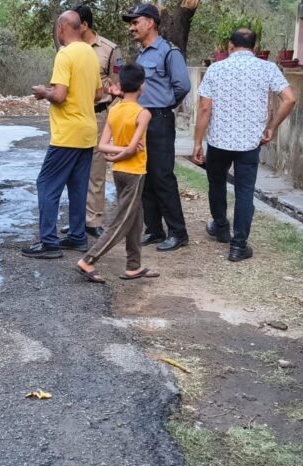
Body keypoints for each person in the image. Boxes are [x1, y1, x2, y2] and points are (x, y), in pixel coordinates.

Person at [193, 28, 297, 262]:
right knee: (244, 191)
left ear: (230, 45)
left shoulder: (216, 69)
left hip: (219, 141)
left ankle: (221, 228)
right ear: (254, 47)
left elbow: (204, 108)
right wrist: (272, 126)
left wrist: (198, 142)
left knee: (216, 184)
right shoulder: (267, 68)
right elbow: (290, 99)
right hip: (250, 142)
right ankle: (238, 246)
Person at [20, 11, 103, 259]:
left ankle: (49, 242)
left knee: (46, 184)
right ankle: (78, 236)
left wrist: (43, 92)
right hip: (88, 132)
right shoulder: (90, 53)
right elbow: (98, 95)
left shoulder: (65, 54)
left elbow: (59, 95)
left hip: (68, 133)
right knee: (78, 188)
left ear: (61, 28)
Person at [75, 63, 160, 283]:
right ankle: (88, 260)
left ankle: (134, 266)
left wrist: (115, 155)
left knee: (135, 217)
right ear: (142, 86)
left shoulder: (114, 110)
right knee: (122, 221)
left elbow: (103, 145)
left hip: (119, 172)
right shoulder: (144, 113)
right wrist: (123, 153)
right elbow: (132, 148)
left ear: (121, 85)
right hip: (134, 172)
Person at [123, 4, 190, 252]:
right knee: (146, 176)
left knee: (162, 176)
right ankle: (153, 229)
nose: (132, 27)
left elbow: (182, 86)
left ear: (150, 22)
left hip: (159, 120)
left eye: (135, 22)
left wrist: (165, 106)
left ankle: (177, 232)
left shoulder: (169, 53)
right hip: (142, 120)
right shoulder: (142, 55)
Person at [60, 4, 118, 239]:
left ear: (84, 25)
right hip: (72, 116)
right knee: (73, 169)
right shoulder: (67, 48)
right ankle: (76, 220)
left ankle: (92, 220)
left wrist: (111, 117)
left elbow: (116, 84)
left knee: (95, 169)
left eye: (74, 22)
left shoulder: (109, 49)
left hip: (98, 113)